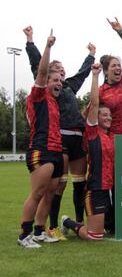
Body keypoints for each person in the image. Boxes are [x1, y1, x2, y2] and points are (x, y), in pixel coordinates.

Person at [23, 26, 95, 240]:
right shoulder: (41, 93)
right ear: (46, 77)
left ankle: (46, 229)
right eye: (56, 73)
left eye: (63, 73)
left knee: (71, 184)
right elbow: (40, 67)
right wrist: (33, 42)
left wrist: (91, 56)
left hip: (70, 142)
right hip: (49, 144)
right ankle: (42, 229)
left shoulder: (65, 90)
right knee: (48, 190)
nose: (61, 76)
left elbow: (81, 75)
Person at [61, 63, 122, 240]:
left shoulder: (113, 136)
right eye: (104, 115)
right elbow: (95, 103)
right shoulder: (92, 133)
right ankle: (68, 222)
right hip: (96, 190)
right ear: (95, 117)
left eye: (110, 115)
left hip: (111, 191)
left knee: (109, 231)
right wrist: (95, 76)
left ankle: (98, 222)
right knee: (95, 236)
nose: (108, 118)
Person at [18, 31, 62, 248]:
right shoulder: (38, 95)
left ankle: (39, 231)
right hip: (40, 149)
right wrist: (47, 47)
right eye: (55, 79)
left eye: (60, 80)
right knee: (37, 193)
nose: (59, 83)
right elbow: (42, 71)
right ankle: (24, 236)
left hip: (56, 151)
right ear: (45, 81)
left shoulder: (55, 102)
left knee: (50, 194)